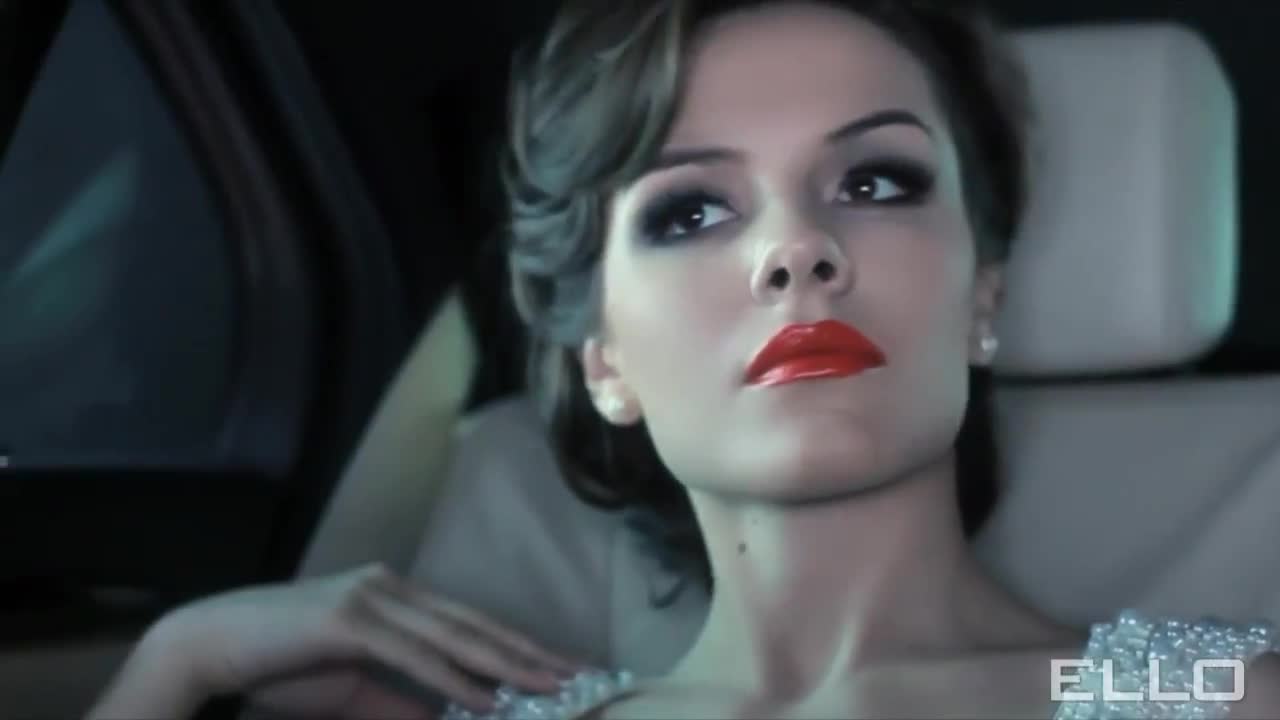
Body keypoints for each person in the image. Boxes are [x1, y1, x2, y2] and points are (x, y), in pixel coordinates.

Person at [88, 1, 1280, 719]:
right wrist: (175, 663)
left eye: (875, 183)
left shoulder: (1215, 702)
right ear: (603, 358)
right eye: (689, 211)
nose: (794, 248)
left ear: (982, 297)